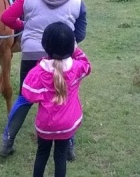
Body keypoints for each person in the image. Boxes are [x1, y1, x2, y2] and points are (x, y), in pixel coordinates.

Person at [0, 0, 87, 161]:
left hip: (31, 52)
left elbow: (7, 18)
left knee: (25, 98)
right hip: (64, 57)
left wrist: (25, 27)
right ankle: (68, 146)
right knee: (66, 99)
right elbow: (80, 34)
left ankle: (7, 141)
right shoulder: (77, 1)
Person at [22, 22, 91, 177]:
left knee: (41, 155)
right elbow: (87, 66)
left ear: (45, 46)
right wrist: (76, 50)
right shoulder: (77, 67)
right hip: (67, 125)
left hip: (45, 125)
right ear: (70, 47)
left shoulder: (37, 73)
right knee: (60, 157)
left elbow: (28, 94)